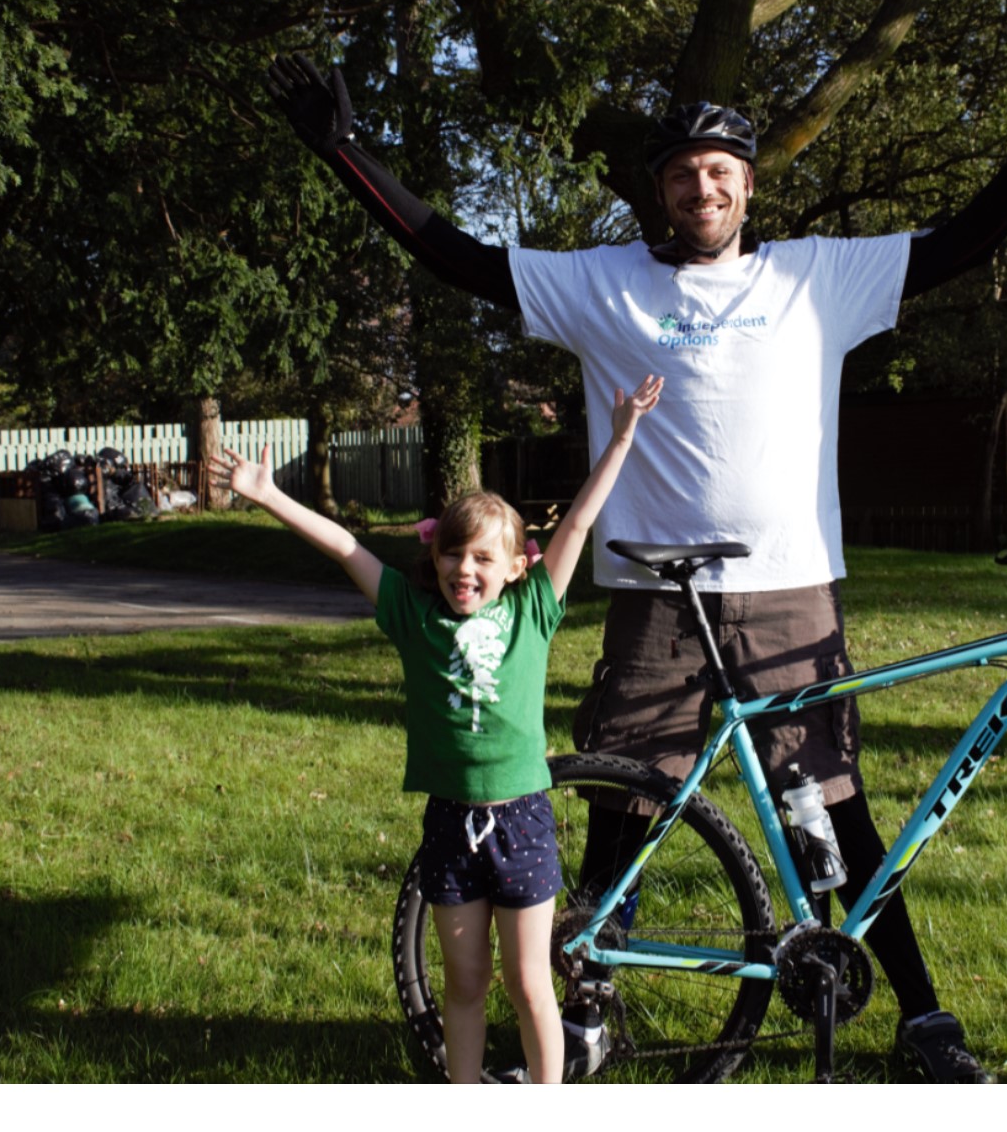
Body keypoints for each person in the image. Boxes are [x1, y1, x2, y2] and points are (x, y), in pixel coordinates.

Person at [265, 0, 1007, 1083]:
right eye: (678, 174)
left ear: (747, 186)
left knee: (831, 805)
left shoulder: (817, 276)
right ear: (656, 192)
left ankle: (922, 1017)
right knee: (623, 801)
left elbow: (967, 240)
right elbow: (457, 255)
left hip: (792, 585)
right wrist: (346, 154)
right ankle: (585, 1005)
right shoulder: (603, 283)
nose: (699, 189)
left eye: (718, 172)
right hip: (655, 595)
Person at [208, 375, 665, 1085]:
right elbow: (346, 547)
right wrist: (270, 496)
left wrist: (621, 437)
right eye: (454, 553)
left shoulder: (535, 612)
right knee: (465, 987)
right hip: (451, 827)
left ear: (519, 568)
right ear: (436, 558)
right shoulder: (413, 616)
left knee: (530, 985)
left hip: (523, 823)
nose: (465, 568)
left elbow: (577, 521)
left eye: (485, 557)